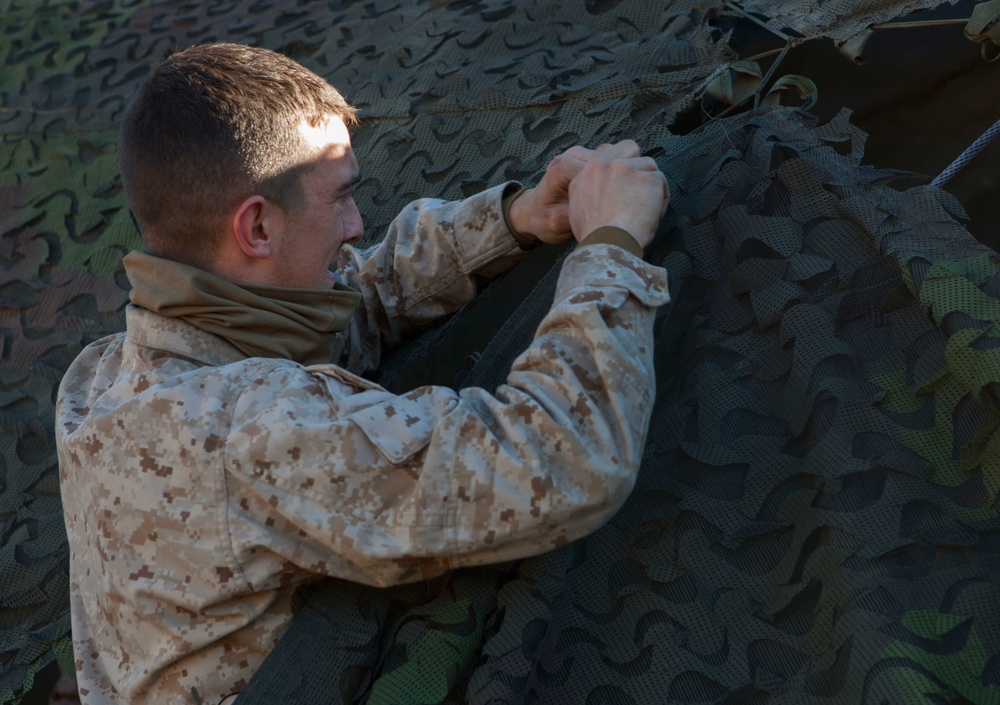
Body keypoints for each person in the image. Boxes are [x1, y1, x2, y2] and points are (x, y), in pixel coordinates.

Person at [55, 43, 671, 704]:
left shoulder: (98, 377)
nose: (356, 223)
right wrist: (612, 245)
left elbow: (344, 303)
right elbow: (564, 458)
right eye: (341, 197)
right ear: (257, 225)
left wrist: (512, 221)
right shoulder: (252, 431)